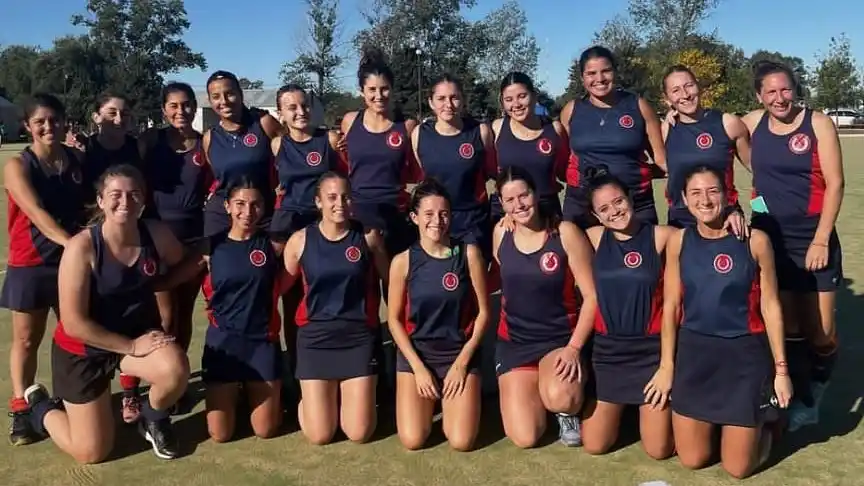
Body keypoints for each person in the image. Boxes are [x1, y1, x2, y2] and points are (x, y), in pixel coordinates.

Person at [24, 164, 192, 463]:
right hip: (83, 350)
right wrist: (131, 346)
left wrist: (208, 253)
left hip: (133, 337)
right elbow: (74, 324)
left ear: (143, 200)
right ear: (100, 200)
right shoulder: (82, 247)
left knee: (175, 369)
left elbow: (181, 262)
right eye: (115, 194)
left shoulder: (156, 233)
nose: (125, 202)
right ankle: (41, 408)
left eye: (133, 194)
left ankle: (152, 417)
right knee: (92, 453)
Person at [664, 165, 792, 479]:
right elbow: (671, 306)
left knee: (738, 468)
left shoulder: (755, 240)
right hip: (696, 357)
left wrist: (781, 370)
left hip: (743, 357)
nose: (704, 200)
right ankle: (733, 429)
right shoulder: (678, 242)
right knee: (693, 458)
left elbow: (771, 306)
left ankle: (768, 425)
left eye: (713, 191)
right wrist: (667, 365)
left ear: (727, 195)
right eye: (695, 192)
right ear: (683, 198)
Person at [743, 62, 843, 432]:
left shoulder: (817, 124)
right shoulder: (751, 123)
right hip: (772, 239)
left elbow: (835, 184)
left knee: (821, 331)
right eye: (770, 91)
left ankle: (821, 375)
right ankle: (799, 394)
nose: (779, 98)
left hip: (812, 237)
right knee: (784, 323)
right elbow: (713, 132)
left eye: (785, 90)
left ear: (795, 90)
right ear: (759, 95)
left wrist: (821, 238)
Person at [1, 94, 86, 446]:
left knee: (74, 335)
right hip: (32, 264)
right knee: (26, 339)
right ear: (28, 126)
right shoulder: (18, 166)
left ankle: (72, 400)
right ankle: (21, 408)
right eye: (41, 122)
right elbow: (36, 212)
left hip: (72, 261)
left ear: (65, 121)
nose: (48, 127)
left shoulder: (78, 159)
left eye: (54, 120)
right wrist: (72, 244)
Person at [282, 172, 390, 445]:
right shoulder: (299, 240)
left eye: (345, 197)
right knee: (320, 435)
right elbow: (278, 287)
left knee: (359, 433)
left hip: (358, 338)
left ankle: (347, 396)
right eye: (331, 197)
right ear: (318, 202)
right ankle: (314, 399)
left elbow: (392, 280)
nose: (339, 203)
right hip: (315, 340)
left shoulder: (368, 237)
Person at [492, 166, 597, 448]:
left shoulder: (564, 233)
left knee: (561, 396)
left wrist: (574, 348)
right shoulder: (500, 234)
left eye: (523, 196)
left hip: (559, 341)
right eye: (510, 200)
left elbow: (592, 297)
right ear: (502, 204)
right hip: (515, 343)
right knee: (525, 437)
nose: (519, 205)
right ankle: (538, 388)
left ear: (536, 195)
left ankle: (566, 408)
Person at [386, 179, 490, 451]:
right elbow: (395, 321)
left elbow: (483, 313)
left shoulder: (469, 254)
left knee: (461, 441)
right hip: (417, 356)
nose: (437, 221)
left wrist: (462, 363)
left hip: (458, 353)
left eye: (444, 213)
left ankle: (454, 402)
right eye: (429, 214)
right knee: (413, 439)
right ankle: (431, 400)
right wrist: (418, 369)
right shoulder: (402, 261)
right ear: (414, 217)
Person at [578, 168, 674, 459]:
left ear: (631, 197)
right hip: (609, 353)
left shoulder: (663, 236)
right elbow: (545, 231)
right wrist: (508, 220)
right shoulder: (592, 238)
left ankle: (659, 411)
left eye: (618, 201)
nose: (614, 211)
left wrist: (667, 366)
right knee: (595, 445)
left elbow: (709, 234)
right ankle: (623, 412)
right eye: (604, 208)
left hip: (651, 352)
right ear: (595, 215)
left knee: (658, 450)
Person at [201, 177, 284, 443]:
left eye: (255, 205)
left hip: (262, 342)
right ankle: (235, 391)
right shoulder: (210, 247)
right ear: (226, 206)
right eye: (239, 204)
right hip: (223, 345)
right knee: (220, 435)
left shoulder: (273, 246)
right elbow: (174, 278)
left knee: (265, 430)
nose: (247, 212)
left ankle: (257, 390)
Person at [138, 80, 209, 359]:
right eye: (174, 105)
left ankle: (177, 383)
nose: (181, 110)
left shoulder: (205, 143)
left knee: (184, 315)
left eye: (187, 104)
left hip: (193, 239)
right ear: (164, 110)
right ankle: (158, 380)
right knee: (164, 318)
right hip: (156, 241)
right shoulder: (150, 141)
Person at [559, 46, 666, 228]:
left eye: (606, 71)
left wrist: (636, 175)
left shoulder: (638, 106)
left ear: (615, 72)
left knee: (644, 255)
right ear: (582, 78)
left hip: (634, 202)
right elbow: (560, 164)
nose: (599, 79)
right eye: (591, 73)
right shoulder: (571, 110)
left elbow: (662, 161)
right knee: (581, 257)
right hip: (582, 204)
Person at [340, 49, 419, 257]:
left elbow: (417, 172)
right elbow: (343, 164)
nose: (378, 96)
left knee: (399, 285)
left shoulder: (407, 126)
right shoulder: (349, 121)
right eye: (372, 89)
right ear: (362, 91)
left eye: (384, 89)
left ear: (392, 89)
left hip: (395, 215)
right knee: (364, 285)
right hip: (358, 216)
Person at [411, 74, 495, 260]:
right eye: (441, 98)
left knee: (473, 278)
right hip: (436, 220)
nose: (448, 104)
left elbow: (491, 172)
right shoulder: (419, 135)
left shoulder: (480, 131)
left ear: (462, 100)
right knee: (444, 279)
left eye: (454, 97)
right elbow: (423, 173)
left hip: (472, 221)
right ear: (431, 102)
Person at [662, 65, 752, 229]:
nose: (685, 94)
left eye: (689, 85)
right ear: (667, 99)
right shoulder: (666, 128)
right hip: (680, 219)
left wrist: (756, 207)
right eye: (675, 90)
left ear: (699, 88)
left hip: (725, 216)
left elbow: (757, 170)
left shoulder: (728, 123)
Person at [202, 70, 282, 237]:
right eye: (216, 97)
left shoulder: (263, 123)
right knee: (220, 261)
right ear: (210, 101)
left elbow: (294, 147)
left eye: (229, 94)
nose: (223, 101)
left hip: (261, 212)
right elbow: (217, 178)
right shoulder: (210, 137)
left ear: (240, 94)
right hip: (222, 215)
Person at [491, 72, 569, 225]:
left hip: (547, 212)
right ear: (502, 102)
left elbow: (564, 172)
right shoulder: (496, 128)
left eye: (522, 96)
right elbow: (490, 172)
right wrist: (508, 207)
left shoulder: (554, 129)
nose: (516, 104)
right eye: (509, 99)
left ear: (534, 96)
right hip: (508, 215)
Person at [79, 93, 140, 205]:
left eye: (124, 114)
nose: (119, 119)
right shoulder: (84, 149)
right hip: (91, 216)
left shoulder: (140, 147)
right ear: (96, 117)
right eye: (112, 113)